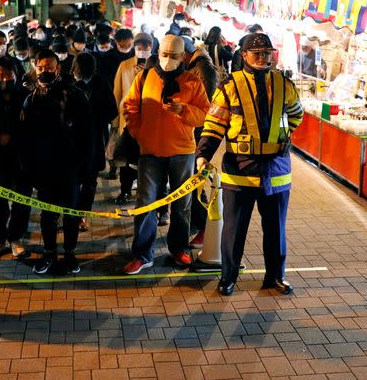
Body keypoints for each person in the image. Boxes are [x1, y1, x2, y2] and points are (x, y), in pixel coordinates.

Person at [195, 33, 304, 296]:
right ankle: (228, 278)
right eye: (258, 54)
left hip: (276, 170)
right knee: (233, 230)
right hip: (239, 170)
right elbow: (214, 125)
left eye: (268, 53)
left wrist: (277, 138)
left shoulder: (284, 84)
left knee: (276, 229)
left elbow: (297, 115)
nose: (264, 58)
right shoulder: (229, 86)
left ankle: (275, 277)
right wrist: (203, 156)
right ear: (244, 55)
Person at [122, 35, 210, 275]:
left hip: (182, 151)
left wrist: (184, 110)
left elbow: (204, 114)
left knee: (182, 204)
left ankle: (179, 248)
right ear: (158, 52)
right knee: (145, 203)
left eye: (174, 56)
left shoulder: (192, 81)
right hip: (149, 151)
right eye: (164, 54)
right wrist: (139, 132)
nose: (168, 60)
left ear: (183, 57)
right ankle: (142, 254)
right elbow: (130, 106)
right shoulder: (144, 77)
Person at [20, 49, 94, 275]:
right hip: (44, 168)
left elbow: (87, 136)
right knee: (47, 214)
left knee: (71, 213)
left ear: (58, 68)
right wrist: (29, 170)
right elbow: (25, 137)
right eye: (40, 68)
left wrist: (86, 171)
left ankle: (70, 253)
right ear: (35, 68)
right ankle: (49, 252)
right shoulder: (31, 100)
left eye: (49, 67)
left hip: (70, 167)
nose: (44, 72)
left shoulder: (75, 95)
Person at [0, 57, 31, 258]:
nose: (5, 76)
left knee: (21, 199)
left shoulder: (26, 95)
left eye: (9, 72)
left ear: (16, 74)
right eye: (1, 72)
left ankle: (16, 238)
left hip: (21, 158)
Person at [72, 52, 117, 230]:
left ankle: (80, 215)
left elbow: (111, 110)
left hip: (88, 141)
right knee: (81, 182)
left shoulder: (98, 83)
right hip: (83, 142)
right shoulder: (73, 84)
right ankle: (77, 215)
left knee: (85, 182)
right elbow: (112, 111)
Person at [181, 35, 218, 248]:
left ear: (186, 53)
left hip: (199, 132)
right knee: (191, 183)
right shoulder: (196, 65)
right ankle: (198, 224)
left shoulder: (203, 68)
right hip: (192, 130)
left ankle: (205, 227)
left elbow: (204, 104)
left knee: (195, 183)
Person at [112, 32, 153, 204]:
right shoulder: (125, 65)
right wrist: (115, 121)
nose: (142, 51)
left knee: (145, 160)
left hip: (148, 122)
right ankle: (125, 190)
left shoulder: (156, 67)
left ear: (151, 48)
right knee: (126, 160)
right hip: (127, 120)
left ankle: (144, 192)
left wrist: (147, 74)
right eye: (139, 48)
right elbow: (117, 92)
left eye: (146, 48)